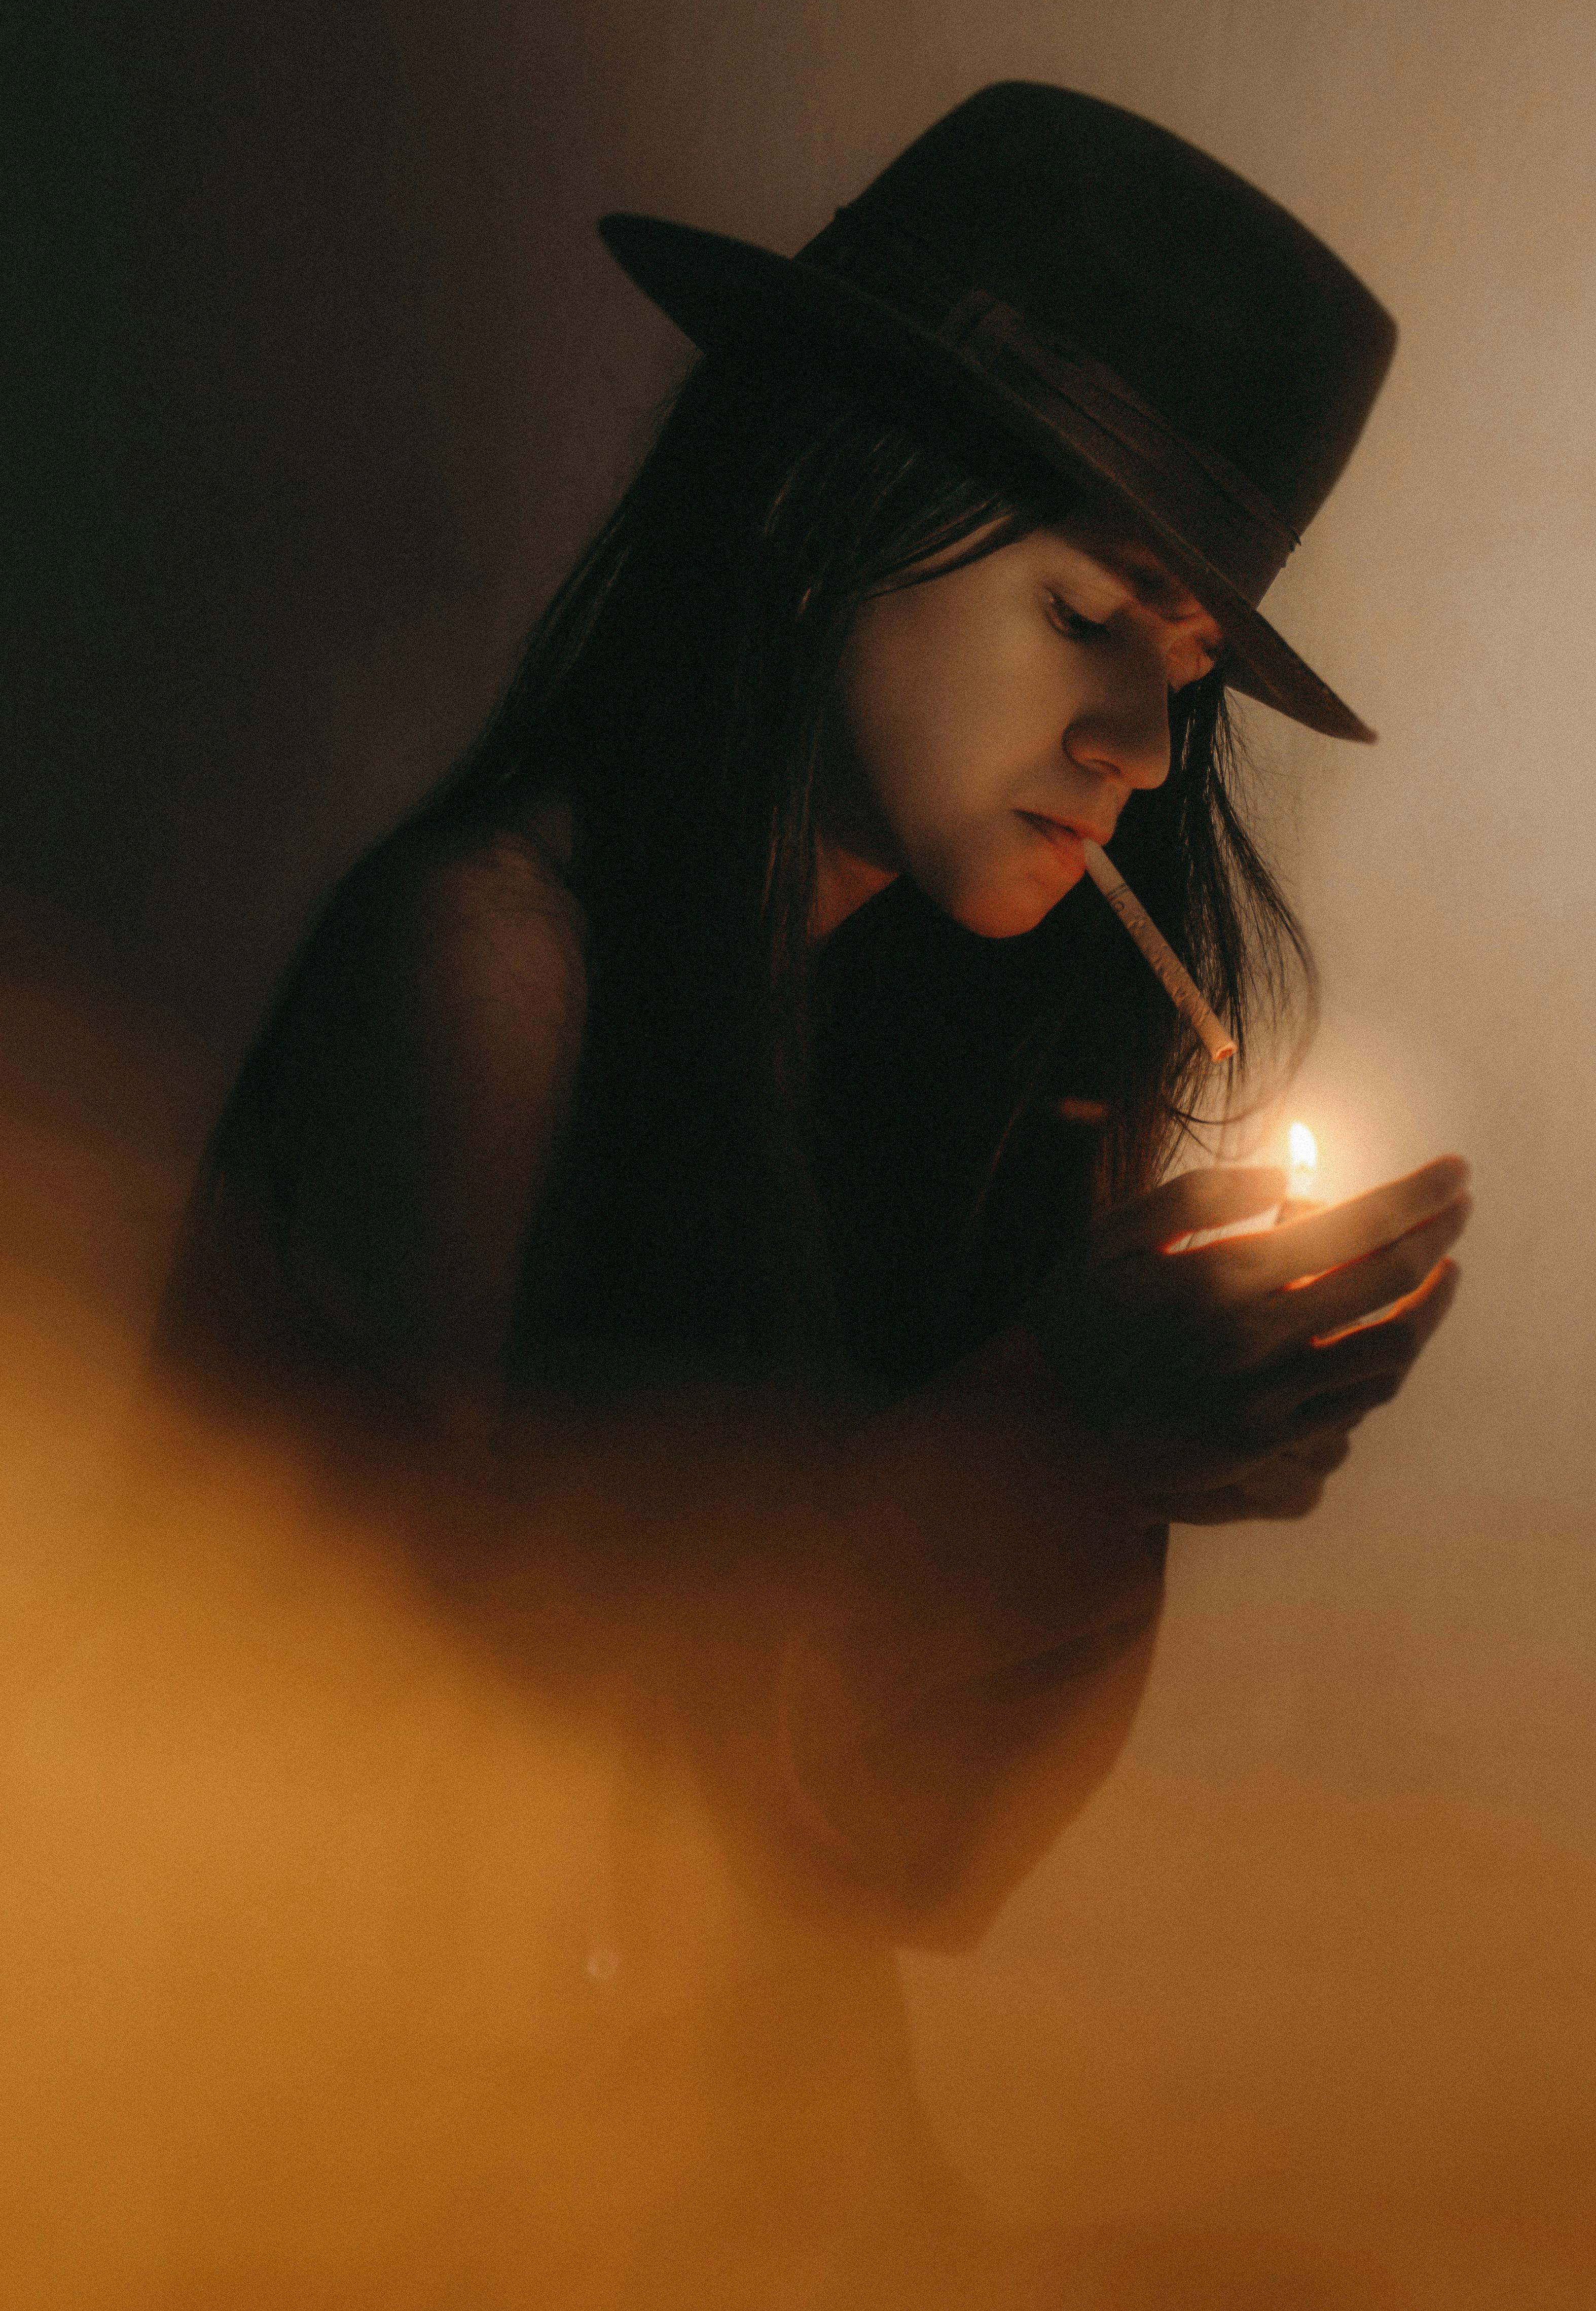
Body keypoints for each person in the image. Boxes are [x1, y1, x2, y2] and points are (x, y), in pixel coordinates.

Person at [159, 81, 1470, 1581]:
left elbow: (904, 1801)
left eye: (1186, 673)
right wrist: (1047, 1433)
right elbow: (368, 1707)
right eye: (1087, 614)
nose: (1151, 752)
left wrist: (1135, 1473)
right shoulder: (488, 964)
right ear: (814, 519)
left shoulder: (989, 1058)